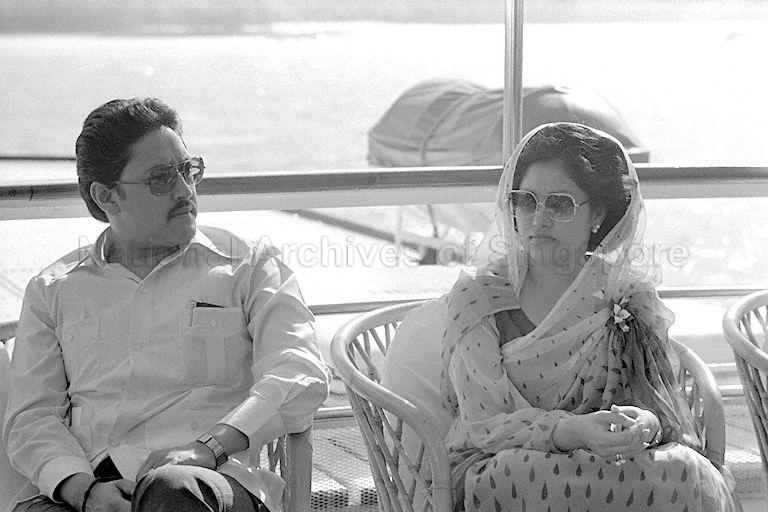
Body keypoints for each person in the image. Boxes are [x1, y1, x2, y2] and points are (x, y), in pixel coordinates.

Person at [3, 98, 330, 512]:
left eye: (187, 170)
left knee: (172, 491)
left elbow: (299, 372)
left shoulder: (248, 265)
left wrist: (209, 447)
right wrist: (84, 491)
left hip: (208, 484)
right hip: (95, 492)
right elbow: (32, 419)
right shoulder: (53, 290)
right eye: (161, 178)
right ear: (107, 196)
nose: (185, 190)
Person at [439, 123, 738, 511]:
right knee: (518, 473)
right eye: (525, 200)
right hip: (510, 465)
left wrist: (643, 425)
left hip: (613, 463)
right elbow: (483, 426)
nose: (538, 217)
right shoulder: (480, 296)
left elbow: (660, 406)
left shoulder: (628, 295)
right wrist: (572, 430)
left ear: (596, 213)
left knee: (685, 471)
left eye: (559, 203)